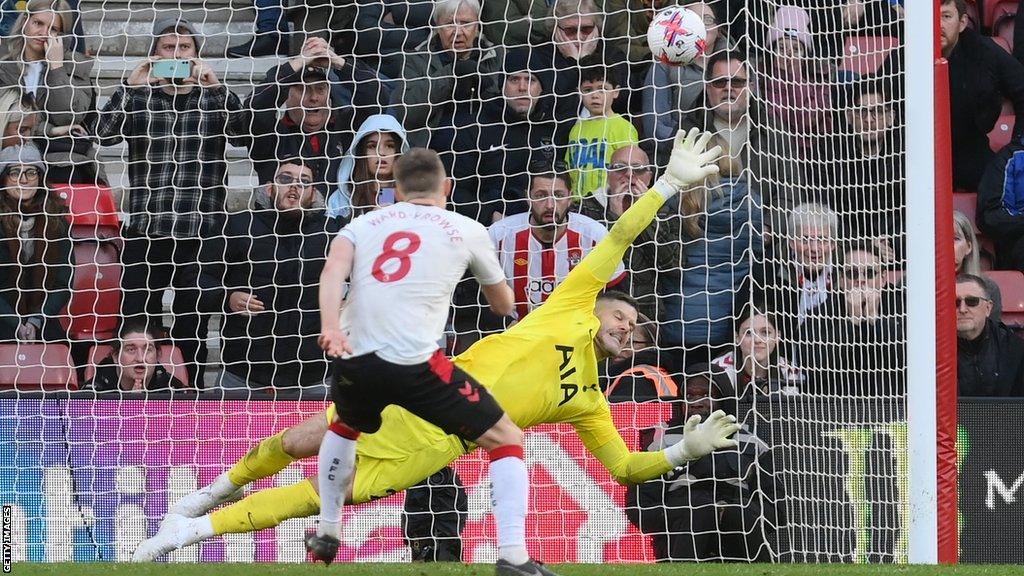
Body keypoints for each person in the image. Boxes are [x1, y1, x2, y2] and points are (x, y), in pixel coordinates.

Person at [132, 129, 738, 573]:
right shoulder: (568, 304)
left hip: (432, 445)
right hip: (418, 392)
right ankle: (212, 492)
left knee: (313, 496)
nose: (627, 327)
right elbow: (621, 235)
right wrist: (663, 185)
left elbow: (626, 469)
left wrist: (685, 448)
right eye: (624, 314)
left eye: (635, 329)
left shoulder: (586, 400)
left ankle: (182, 533)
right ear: (603, 306)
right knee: (294, 444)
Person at [309, 147, 558, 574]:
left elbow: (332, 272)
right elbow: (502, 305)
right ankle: (514, 557)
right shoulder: (466, 227)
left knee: (345, 425)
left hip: (355, 356)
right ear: (447, 187)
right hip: (417, 365)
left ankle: (328, 531)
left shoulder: (361, 224)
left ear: (395, 188)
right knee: (506, 438)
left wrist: (330, 326)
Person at [95, 16, 247, 387]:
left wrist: (217, 86)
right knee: (135, 317)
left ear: (196, 56)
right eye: (168, 48)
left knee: (191, 321)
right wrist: (130, 85)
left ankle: (188, 391)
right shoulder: (140, 98)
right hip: (148, 230)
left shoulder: (212, 98)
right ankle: (131, 390)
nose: (176, 54)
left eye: (184, 48)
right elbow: (103, 134)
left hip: (202, 232)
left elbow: (245, 134)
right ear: (155, 55)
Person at [182, 159, 340, 391]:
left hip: (314, 377)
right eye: (286, 179)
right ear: (269, 188)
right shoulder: (237, 226)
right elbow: (193, 277)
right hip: (242, 375)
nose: (295, 186)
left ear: (314, 193)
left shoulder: (331, 233)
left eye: (304, 181)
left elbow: (376, 260)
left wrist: (351, 300)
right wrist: (226, 297)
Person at [626, 364, 783, 561]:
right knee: (698, 509)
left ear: (723, 399)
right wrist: (694, 511)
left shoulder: (752, 441)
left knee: (737, 514)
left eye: (706, 394)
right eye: (690, 396)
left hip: (738, 529)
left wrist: (728, 511)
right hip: (682, 532)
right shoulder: (659, 439)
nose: (696, 402)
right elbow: (639, 508)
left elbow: (776, 510)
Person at [244, 37, 386, 203]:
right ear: (285, 96)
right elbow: (255, 105)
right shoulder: (271, 134)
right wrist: (298, 63)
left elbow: (378, 96)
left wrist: (339, 63)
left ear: (329, 94)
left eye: (320, 89)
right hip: (278, 226)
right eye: (303, 89)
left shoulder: (347, 128)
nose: (313, 98)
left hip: (339, 225)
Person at [435, 49, 557, 224]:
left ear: (541, 88)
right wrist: (490, 215)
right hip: (486, 228)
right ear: (502, 85)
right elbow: (453, 190)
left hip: (545, 224)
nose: (522, 87)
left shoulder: (553, 128)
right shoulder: (474, 128)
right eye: (514, 79)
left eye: (530, 80)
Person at [489, 164, 625, 321]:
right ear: (528, 197)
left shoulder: (595, 235)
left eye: (558, 195)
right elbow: (481, 295)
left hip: (576, 332)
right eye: (541, 195)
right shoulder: (499, 235)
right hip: (517, 333)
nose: (550, 205)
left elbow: (616, 293)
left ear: (570, 198)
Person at [0, 0, 100, 184]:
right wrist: (50, 129)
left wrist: (56, 67)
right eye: (38, 23)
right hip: (9, 153)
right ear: (25, 22)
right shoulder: (3, 64)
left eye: (53, 29)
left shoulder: (76, 66)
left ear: (61, 35)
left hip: (57, 159)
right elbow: (8, 123)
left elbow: (67, 117)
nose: (44, 34)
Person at [578, 145, 681, 320]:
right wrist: (614, 219)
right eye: (620, 168)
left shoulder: (664, 211)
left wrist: (644, 213)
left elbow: (672, 266)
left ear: (649, 177)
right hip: (594, 309)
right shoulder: (584, 208)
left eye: (638, 170)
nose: (629, 175)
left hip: (645, 312)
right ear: (608, 174)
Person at [389, 0, 503, 148]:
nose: (458, 32)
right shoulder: (417, 58)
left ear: (477, 26)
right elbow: (406, 112)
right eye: (450, 24)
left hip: (488, 146)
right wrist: (451, 74)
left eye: (466, 23)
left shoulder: (497, 55)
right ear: (437, 27)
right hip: (434, 151)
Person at [798, 244, 905, 395]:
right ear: (841, 280)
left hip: (893, 405)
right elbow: (814, 367)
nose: (860, 280)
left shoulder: (902, 306)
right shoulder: (821, 312)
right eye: (852, 273)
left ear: (882, 278)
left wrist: (875, 320)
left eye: (869, 273)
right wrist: (852, 322)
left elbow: (911, 364)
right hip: (838, 407)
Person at [942, 0, 1024, 191]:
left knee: (1003, 192)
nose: (939, 25)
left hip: (971, 150)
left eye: (946, 16)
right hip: (915, 155)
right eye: (933, 18)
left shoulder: (983, 51)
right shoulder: (905, 53)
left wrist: (1017, 147)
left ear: (962, 22)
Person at [0, 143, 71, 342]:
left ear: (40, 178)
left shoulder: (57, 221)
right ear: (3, 180)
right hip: (3, 315)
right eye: (15, 172)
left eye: (31, 172)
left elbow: (63, 283)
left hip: (42, 316)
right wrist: (16, 323)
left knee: (58, 347)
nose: (23, 180)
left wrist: (35, 320)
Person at [531, 0, 629, 141]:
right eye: (570, 31)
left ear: (597, 29)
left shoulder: (612, 55)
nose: (578, 37)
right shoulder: (539, 57)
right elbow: (550, 103)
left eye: (586, 29)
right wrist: (574, 63)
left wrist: (584, 60)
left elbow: (623, 97)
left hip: (605, 136)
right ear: (555, 30)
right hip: (552, 136)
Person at [642, 1, 733, 153]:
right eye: (694, 19)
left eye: (708, 20)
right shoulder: (663, 65)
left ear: (719, 28)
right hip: (681, 152)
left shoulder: (738, 64)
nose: (701, 25)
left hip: (734, 151)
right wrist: (693, 146)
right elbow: (655, 127)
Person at [760, 6, 832, 162]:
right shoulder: (759, 81)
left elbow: (805, 122)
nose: (788, 55)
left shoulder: (821, 81)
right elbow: (778, 122)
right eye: (781, 48)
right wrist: (780, 77)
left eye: (796, 49)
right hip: (772, 156)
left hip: (812, 158)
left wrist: (795, 78)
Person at [565, 58, 638, 199]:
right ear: (579, 93)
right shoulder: (576, 129)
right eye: (587, 90)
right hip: (576, 204)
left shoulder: (623, 127)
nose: (595, 95)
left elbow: (630, 170)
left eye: (602, 89)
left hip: (608, 202)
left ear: (615, 92)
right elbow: (570, 170)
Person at [326, 114, 409, 221]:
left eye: (390, 146)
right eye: (372, 146)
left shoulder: (412, 196)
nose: (381, 153)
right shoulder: (342, 198)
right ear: (361, 152)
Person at [956, 273, 1024, 397]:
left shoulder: (1014, 349)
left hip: (1005, 416)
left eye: (972, 301)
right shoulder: (932, 349)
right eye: (955, 302)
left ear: (988, 308)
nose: (962, 309)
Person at [710, 305, 802, 395]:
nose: (757, 340)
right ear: (737, 337)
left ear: (777, 337)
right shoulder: (719, 369)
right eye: (749, 333)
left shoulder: (788, 371)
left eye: (765, 332)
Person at [82, 319, 187, 392]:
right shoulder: (94, 392)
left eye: (147, 349)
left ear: (158, 355)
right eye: (131, 349)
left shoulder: (173, 389)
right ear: (115, 356)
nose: (140, 358)